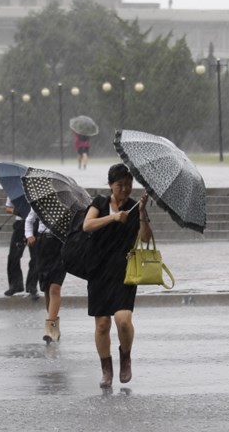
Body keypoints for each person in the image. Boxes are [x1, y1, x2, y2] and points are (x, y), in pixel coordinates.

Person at [82, 163, 152, 388]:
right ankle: (106, 369)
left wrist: (141, 212)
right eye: (119, 185)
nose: (125, 189)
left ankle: (126, 357)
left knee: (123, 321)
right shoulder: (99, 203)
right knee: (102, 324)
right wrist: (112, 218)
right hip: (98, 270)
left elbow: (145, 238)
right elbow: (87, 225)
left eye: (128, 184)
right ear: (110, 185)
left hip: (124, 271)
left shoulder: (134, 208)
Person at [25, 208, 66, 343]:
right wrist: (29, 235)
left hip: (60, 246)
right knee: (47, 288)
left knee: (55, 287)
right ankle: (55, 327)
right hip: (42, 245)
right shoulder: (40, 202)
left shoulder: (67, 205)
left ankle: (49, 328)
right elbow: (29, 220)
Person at [4, 197, 39, 299]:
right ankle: (15, 285)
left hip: (35, 224)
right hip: (20, 225)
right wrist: (17, 211)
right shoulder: (15, 192)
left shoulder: (37, 192)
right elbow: (8, 208)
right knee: (13, 256)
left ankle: (32, 286)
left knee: (36, 257)